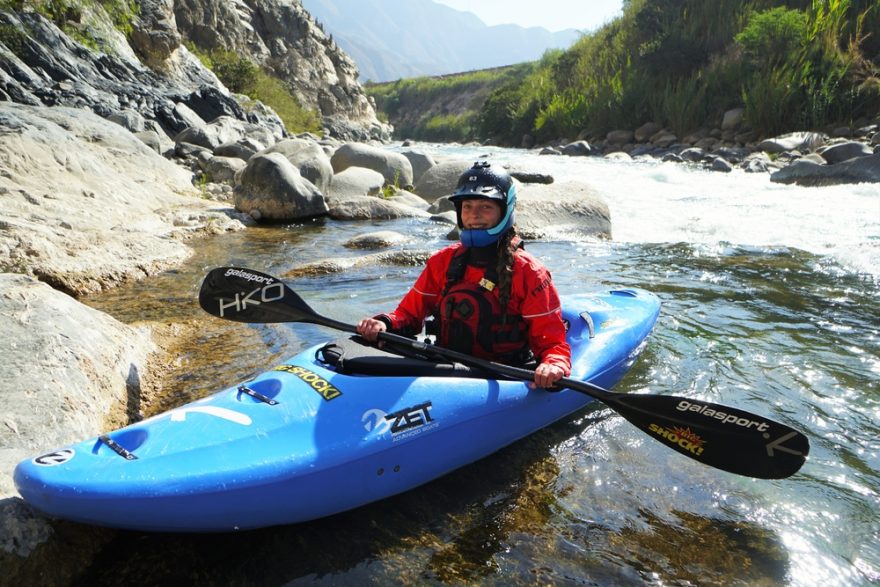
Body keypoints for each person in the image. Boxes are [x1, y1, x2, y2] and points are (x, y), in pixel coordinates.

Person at [357, 161, 571, 388]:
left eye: (485, 207)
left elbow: (552, 343)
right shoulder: (443, 261)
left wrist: (553, 365)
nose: (473, 215)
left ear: (505, 210)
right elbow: (409, 314)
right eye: (467, 206)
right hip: (448, 368)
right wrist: (384, 323)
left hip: (504, 376)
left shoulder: (530, 272)